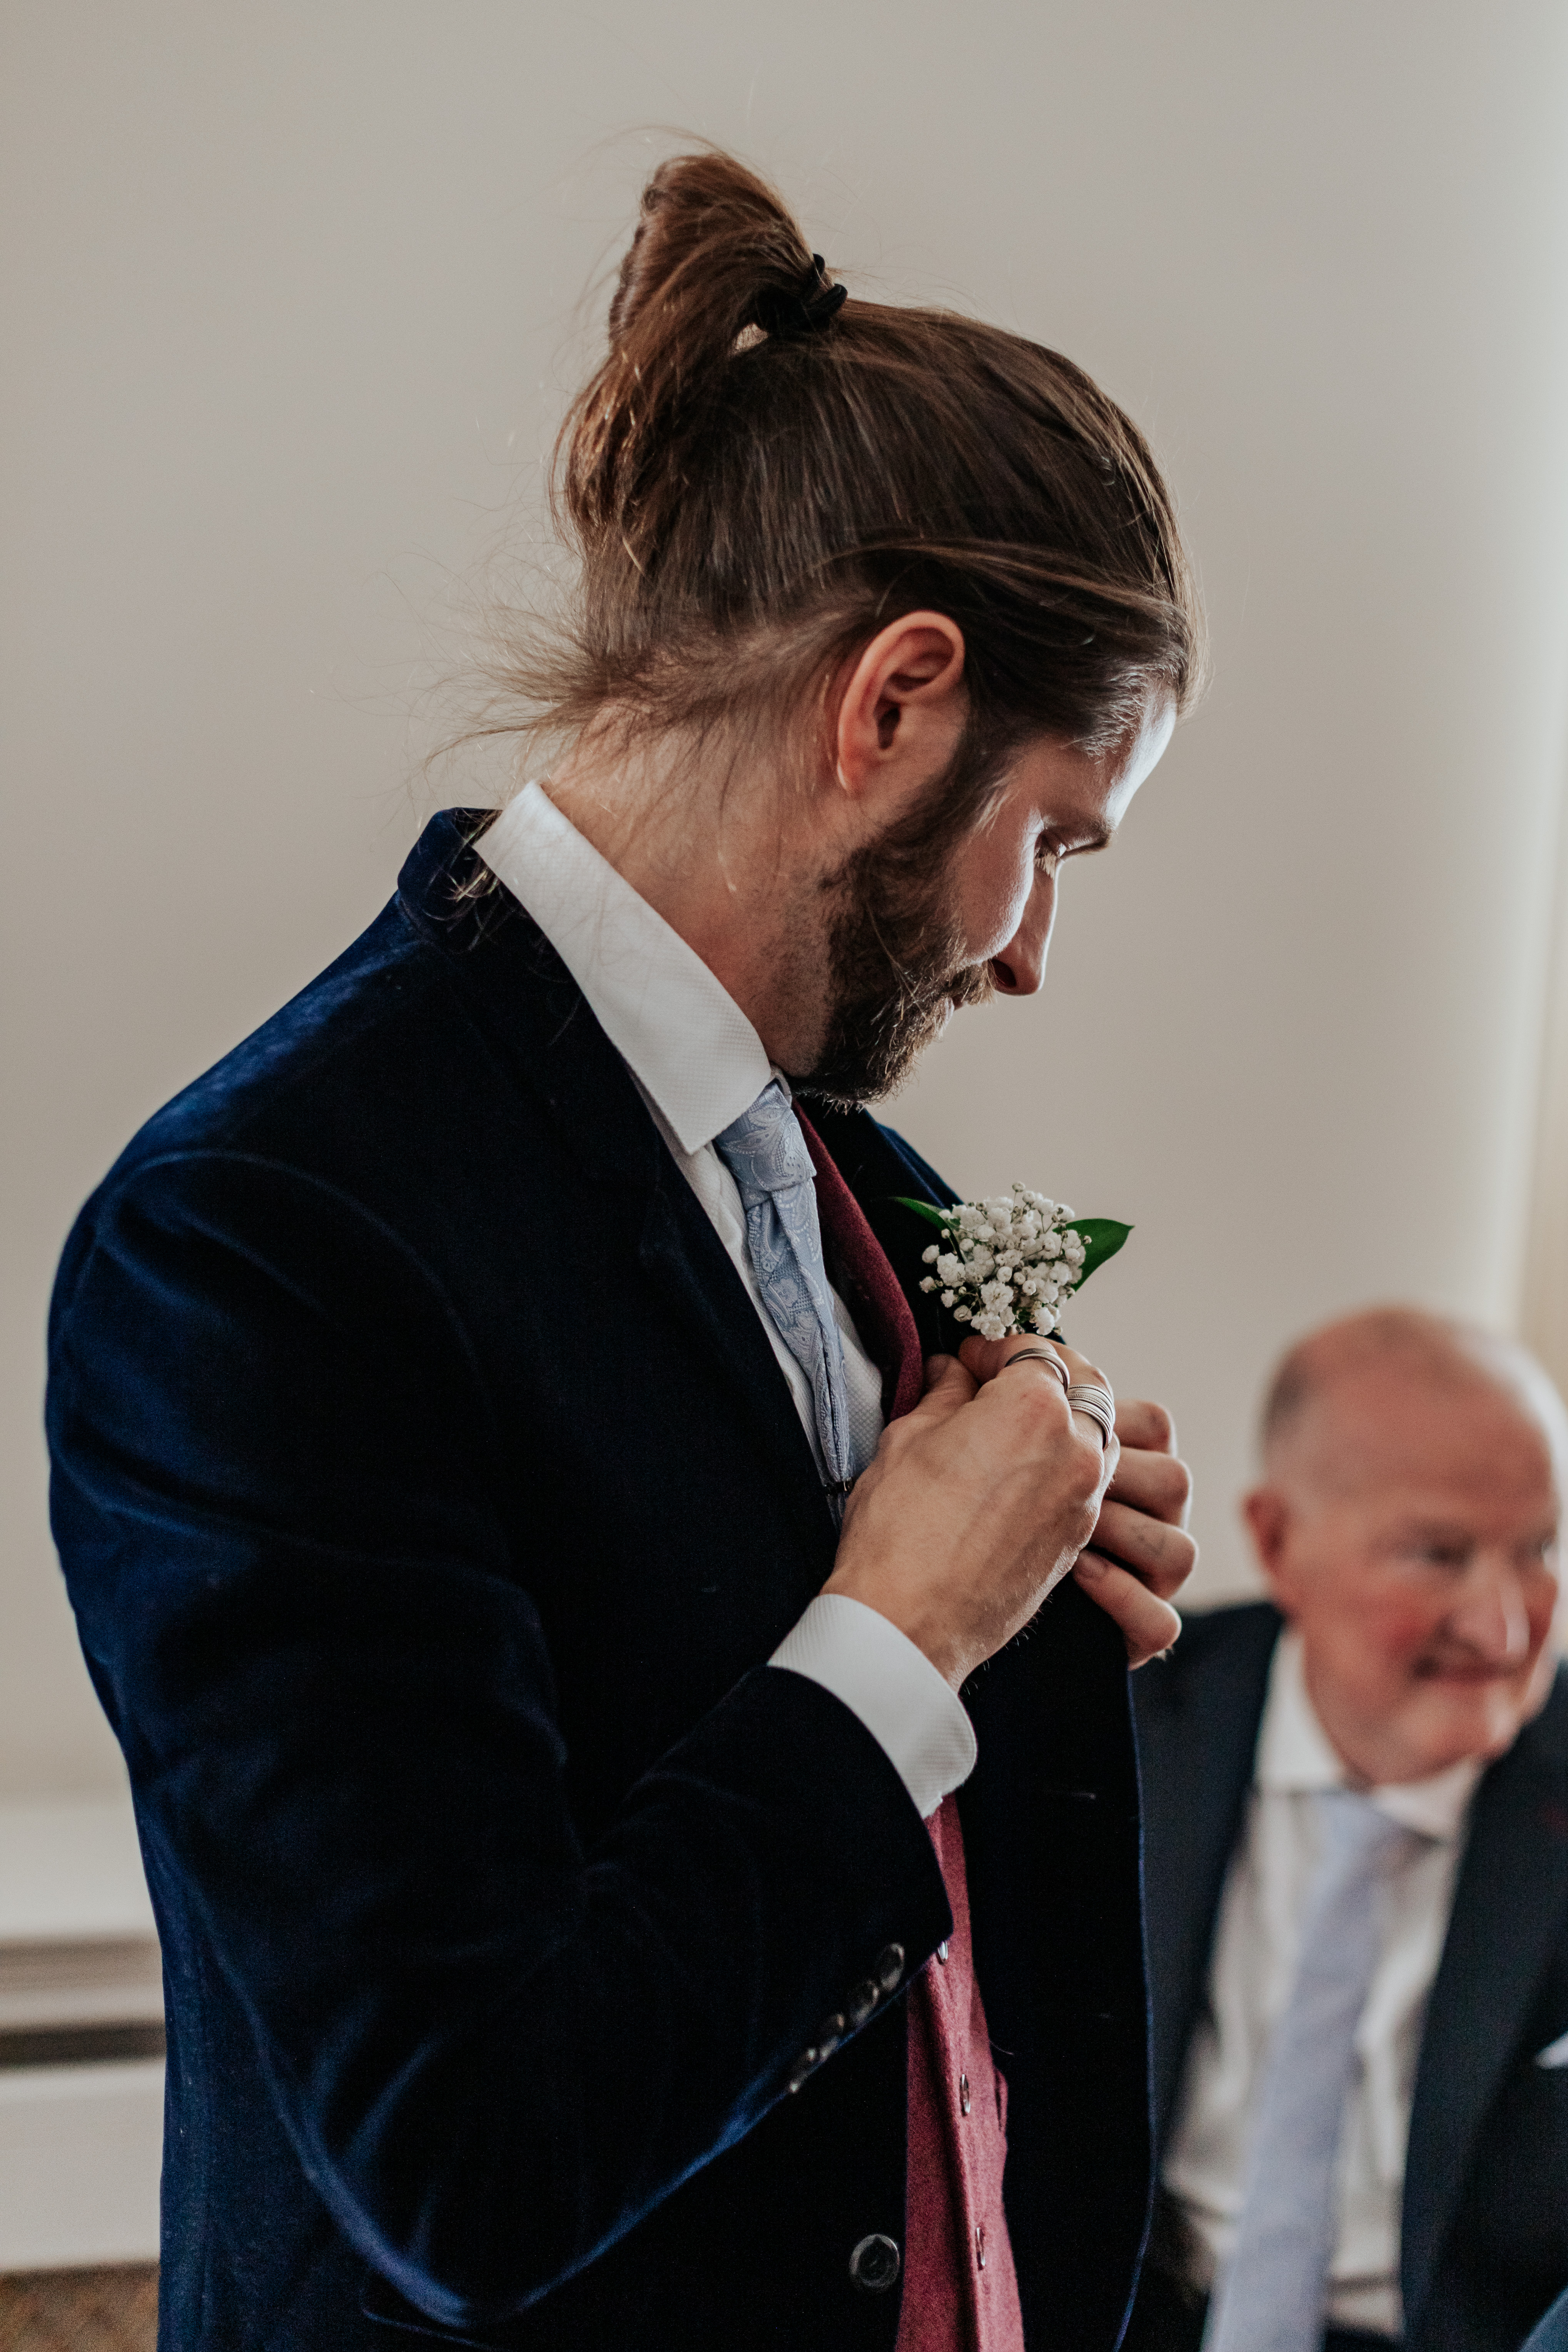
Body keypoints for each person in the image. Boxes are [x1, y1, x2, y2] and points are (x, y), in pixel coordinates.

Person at [46, 151, 1203, 2352]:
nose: (1029, 952)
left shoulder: (882, 1210)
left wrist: (1027, 1588)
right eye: (1046, 837)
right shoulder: (261, 1249)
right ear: (894, 702)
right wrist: (901, 1621)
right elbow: (462, 2152)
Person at [1129, 1308, 1568, 2352]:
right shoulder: (1128, 1728)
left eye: (1539, 1546)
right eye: (1436, 1553)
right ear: (1278, 1540)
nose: (1504, 1627)